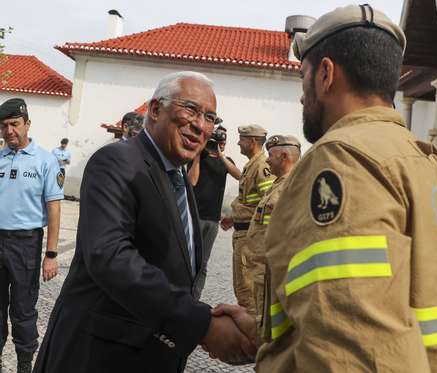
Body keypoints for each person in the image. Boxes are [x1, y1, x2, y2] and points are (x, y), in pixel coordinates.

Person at [213, 4, 437, 372]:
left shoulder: (341, 163)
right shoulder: (428, 164)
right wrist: (263, 332)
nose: (302, 96)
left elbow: (348, 348)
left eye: (303, 77)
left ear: (326, 74)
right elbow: (386, 305)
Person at [33, 72, 255, 373]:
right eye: (190, 109)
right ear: (154, 109)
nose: (200, 125)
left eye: (210, 117)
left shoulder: (179, 178)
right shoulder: (117, 162)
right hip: (99, 356)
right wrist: (202, 324)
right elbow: (111, 257)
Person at [0, 98, 62, 373]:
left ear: (27, 124)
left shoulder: (46, 160)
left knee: (23, 310)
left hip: (26, 243)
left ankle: (25, 364)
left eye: (14, 124)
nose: (9, 130)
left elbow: (54, 208)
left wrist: (51, 254)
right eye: (4, 126)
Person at [245, 135, 300, 326]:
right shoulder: (278, 184)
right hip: (262, 271)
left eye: (271, 155)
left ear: (284, 156)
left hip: (271, 274)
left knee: (268, 324)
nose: (267, 159)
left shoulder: (290, 188)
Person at [220, 125, 275, 316]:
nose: (238, 143)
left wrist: (257, 236)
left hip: (250, 238)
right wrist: (234, 218)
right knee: (243, 290)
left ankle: (253, 339)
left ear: (252, 141)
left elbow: (269, 201)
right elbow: (251, 203)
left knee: (248, 293)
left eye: (242, 139)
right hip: (243, 233)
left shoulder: (261, 166)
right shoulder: (252, 164)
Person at [187, 124, 241, 299]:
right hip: (193, 216)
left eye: (223, 140)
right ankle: (180, 296)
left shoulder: (226, 161)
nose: (220, 143)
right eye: (217, 139)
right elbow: (192, 181)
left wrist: (221, 156)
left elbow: (241, 176)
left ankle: (195, 297)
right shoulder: (197, 156)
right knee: (186, 259)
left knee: (202, 263)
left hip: (212, 220)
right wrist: (197, 154)